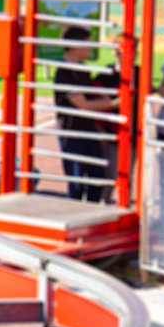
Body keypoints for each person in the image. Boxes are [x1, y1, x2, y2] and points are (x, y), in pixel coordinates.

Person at [53, 25, 117, 201]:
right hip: (72, 133)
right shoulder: (64, 73)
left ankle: (91, 215)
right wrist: (115, 103)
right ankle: (73, 216)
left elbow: (89, 100)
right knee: (76, 182)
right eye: (87, 43)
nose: (91, 47)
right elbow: (83, 105)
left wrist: (98, 127)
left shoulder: (83, 69)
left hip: (88, 131)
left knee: (98, 178)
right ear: (75, 45)